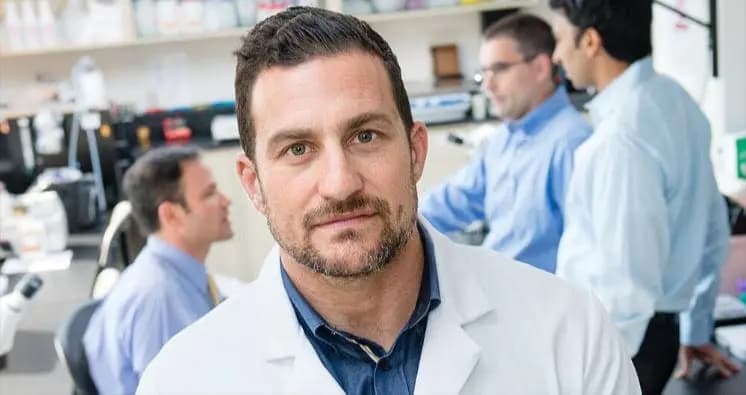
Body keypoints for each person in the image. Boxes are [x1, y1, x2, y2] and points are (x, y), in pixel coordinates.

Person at [136, 7, 639, 394]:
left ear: (416, 151)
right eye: (298, 149)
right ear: (253, 185)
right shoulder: (184, 379)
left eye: (365, 137)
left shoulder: (570, 334)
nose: (339, 183)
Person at [549, 0, 741, 393]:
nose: (555, 55)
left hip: (621, 348)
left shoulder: (621, 140)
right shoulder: (676, 101)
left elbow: (625, 286)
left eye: (559, 39)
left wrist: (595, 379)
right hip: (657, 337)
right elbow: (712, 233)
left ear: (590, 41)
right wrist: (696, 328)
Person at [420, 14, 590, 273]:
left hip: (542, 304)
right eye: (484, 72)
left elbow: (586, 255)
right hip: (500, 290)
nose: (487, 85)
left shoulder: (572, 144)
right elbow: (455, 200)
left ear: (541, 68)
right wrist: (398, 219)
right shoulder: (504, 138)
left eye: (499, 69)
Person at [83, 146, 233, 394]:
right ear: (171, 215)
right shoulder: (159, 299)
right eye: (209, 194)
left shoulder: (177, 276)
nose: (225, 200)